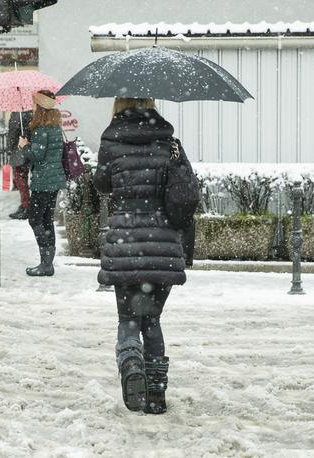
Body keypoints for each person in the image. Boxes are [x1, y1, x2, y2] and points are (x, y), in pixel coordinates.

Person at [93, 97, 189, 414]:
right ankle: (157, 394)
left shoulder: (112, 140)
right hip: (163, 246)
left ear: (119, 105)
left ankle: (132, 364)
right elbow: (184, 195)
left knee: (128, 318)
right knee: (152, 319)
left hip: (126, 243)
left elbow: (102, 184)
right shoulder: (169, 142)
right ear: (151, 104)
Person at [15, 91, 65, 276]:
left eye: (34, 103)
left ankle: (46, 263)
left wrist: (24, 145)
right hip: (53, 179)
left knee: (35, 218)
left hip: (44, 180)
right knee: (46, 219)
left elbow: (37, 155)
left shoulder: (42, 128)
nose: (32, 106)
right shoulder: (54, 125)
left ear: (41, 106)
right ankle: (47, 263)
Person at [7, 111, 33, 219]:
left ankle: (26, 205)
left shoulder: (18, 113)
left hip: (20, 149)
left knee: (20, 179)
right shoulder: (31, 111)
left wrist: (9, 148)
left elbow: (13, 132)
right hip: (29, 147)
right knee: (24, 178)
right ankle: (26, 205)